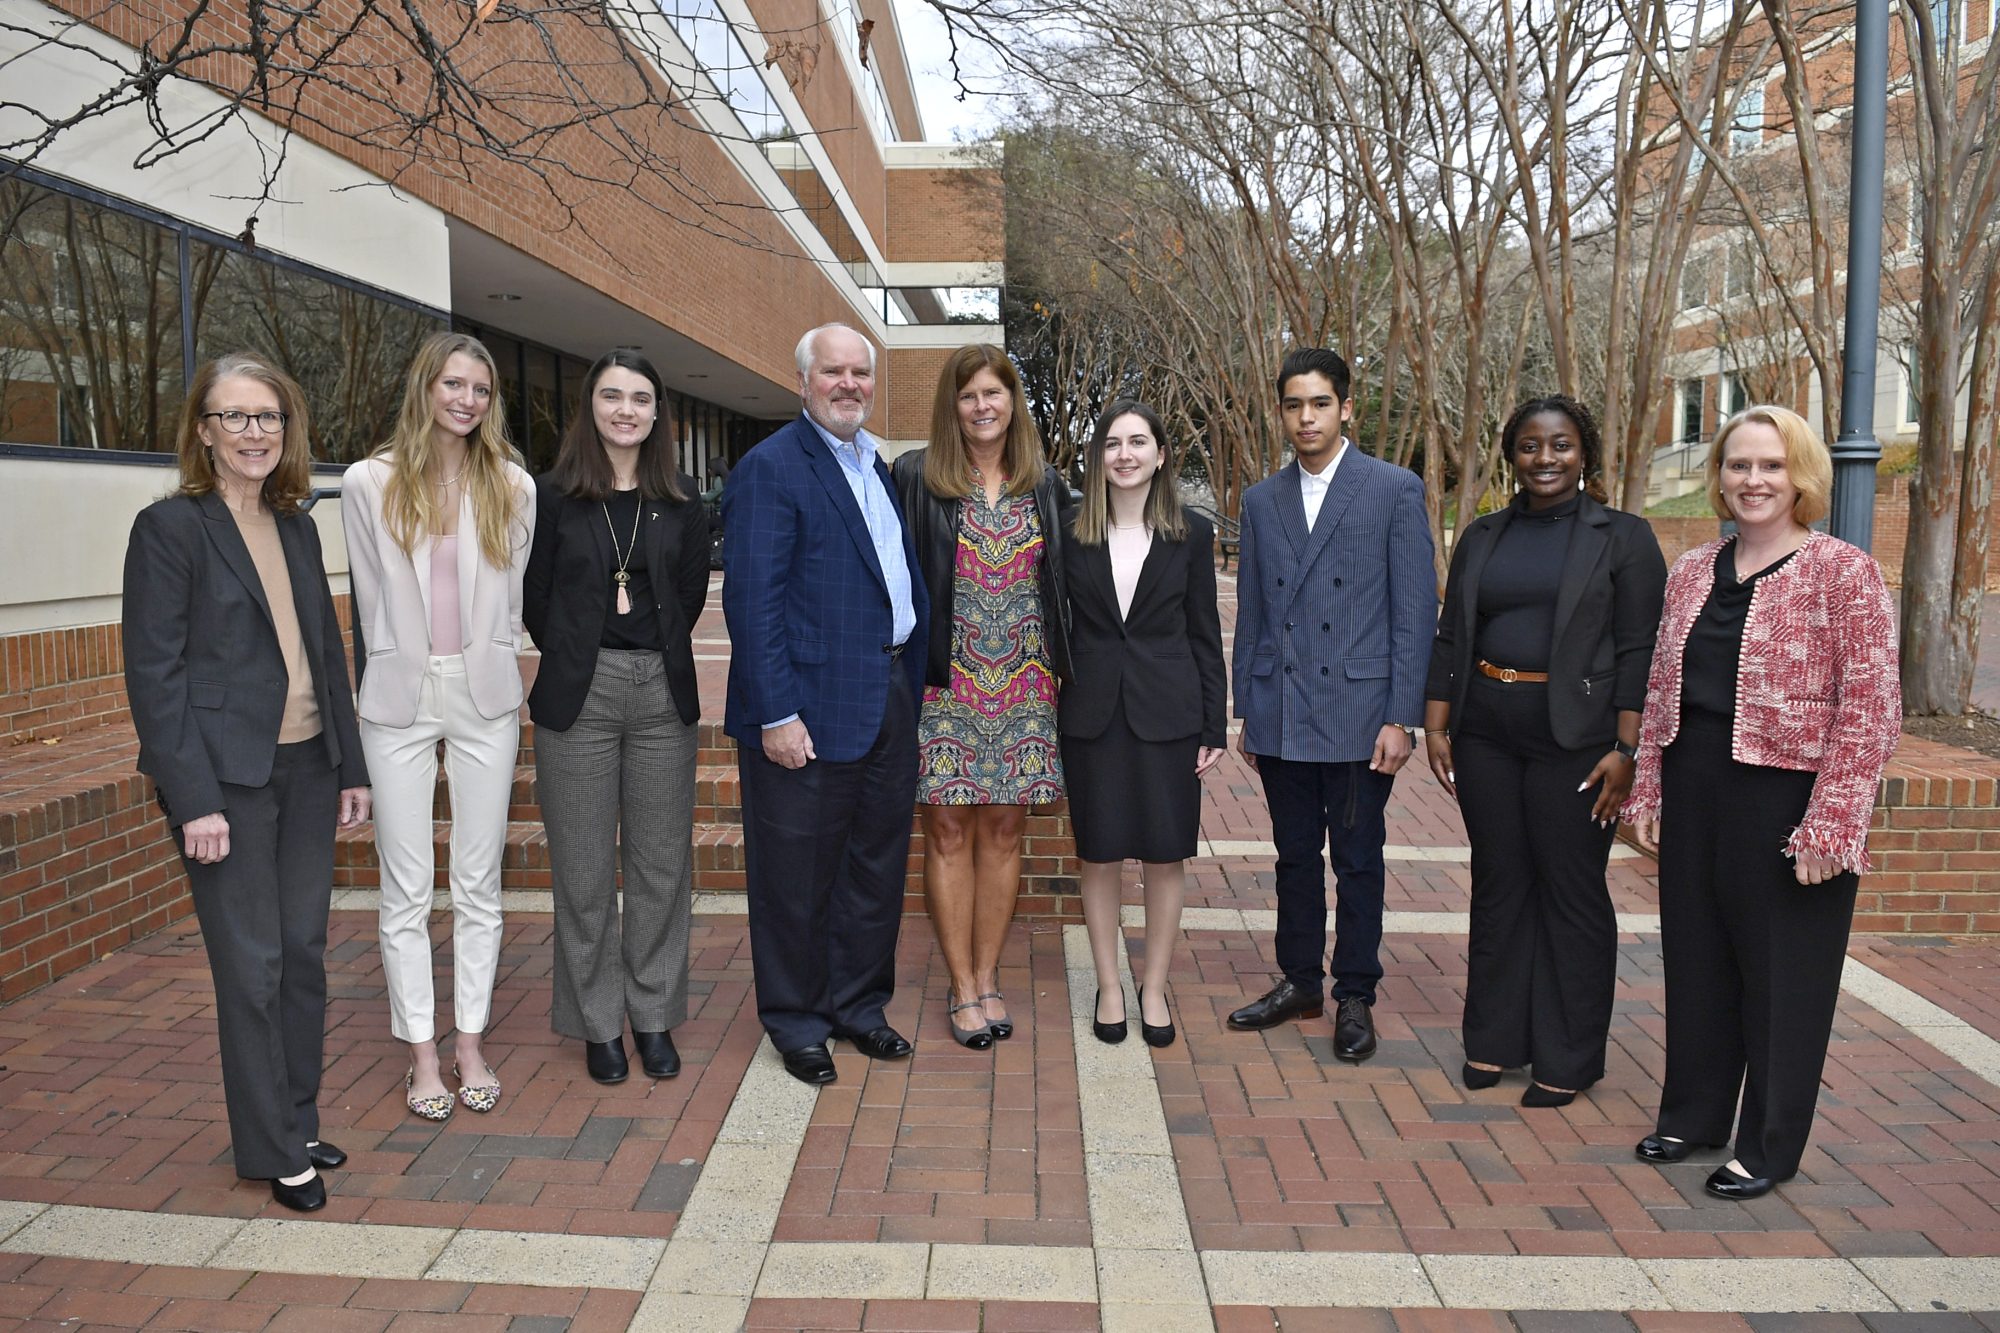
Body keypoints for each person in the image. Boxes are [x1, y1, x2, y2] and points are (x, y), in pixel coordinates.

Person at [1625, 405, 1899, 1200]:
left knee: (1783, 978)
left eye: (1771, 466)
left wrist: (1835, 822)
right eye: (1740, 465)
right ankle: (1695, 1113)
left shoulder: (1843, 571)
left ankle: (1769, 1144)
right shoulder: (1691, 570)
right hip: (1698, 782)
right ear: (1719, 475)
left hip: (1790, 796)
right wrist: (1650, 782)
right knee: (1699, 959)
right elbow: (1659, 684)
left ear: (1801, 475)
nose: (1754, 480)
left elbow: (1872, 704)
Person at [123, 353, 371, 1211]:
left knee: (303, 954)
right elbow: (154, 677)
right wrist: (192, 799)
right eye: (235, 417)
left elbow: (328, 654)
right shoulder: (170, 531)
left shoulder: (297, 525)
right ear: (203, 430)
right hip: (225, 783)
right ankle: (269, 1149)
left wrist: (350, 764)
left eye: (268, 416)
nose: (254, 433)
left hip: (307, 768)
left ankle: (295, 1120)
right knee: (252, 964)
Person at [1422, 396, 1667, 1106]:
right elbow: (1450, 634)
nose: (1545, 459)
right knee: (1500, 883)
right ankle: (1494, 1039)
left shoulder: (1622, 537)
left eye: (1560, 445)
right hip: (1486, 733)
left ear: (1583, 451)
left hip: (1579, 742)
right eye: (1530, 447)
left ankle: (1568, 1053)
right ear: (1512, 455)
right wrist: (1437, 724)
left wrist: (1627, 746)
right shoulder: (1485, 534)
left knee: (1569, 888)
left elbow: (1638, 649)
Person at [722, 323, 929, 1085]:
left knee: (874, 868)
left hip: (888, 697)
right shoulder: (772, 468)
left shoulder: (875, 466)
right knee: (795, 878)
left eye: (860, 373)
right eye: (833, 372)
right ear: (803, 380)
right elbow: (753, 602)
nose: (848, 384)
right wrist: (776, 713)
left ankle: (858, 1007)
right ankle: (798, 1019)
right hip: (803, 714)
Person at [343, 332, 534, 1121]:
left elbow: (514, 594)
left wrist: (500, 659)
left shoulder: (512, 485)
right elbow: (366, 593)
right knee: (407, 886)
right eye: (453, 384)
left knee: (480, 883)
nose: (466, 399)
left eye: (480, 389)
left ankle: (469, 1043)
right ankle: (421, 1053)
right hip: (398, 694)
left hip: (485, 692)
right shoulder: (368, 480)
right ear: (426, 387)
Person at [1227, 347, 1436, 1062]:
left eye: (1319, 402)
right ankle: (1298, 980)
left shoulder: (1393, 488)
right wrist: (1247, 708)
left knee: (1357, 859)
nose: (1306, 416)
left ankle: (1354, 994)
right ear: (1281, 410)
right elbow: (1253, 614)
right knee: (1292, 857)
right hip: (1284, 708)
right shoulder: (1262, 499)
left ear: (1346, 406)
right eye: (1294, 404)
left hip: (1358, 711)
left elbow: (1414, 610)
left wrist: (1400, 715)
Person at [523, 350, 710, 1085]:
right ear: (590, 407)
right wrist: (578, 654)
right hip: (579, 693)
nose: (626, 409)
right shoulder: (553, 495)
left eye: (640, 396)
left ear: (658, 412)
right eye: (611, 396)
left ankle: (653, 1014)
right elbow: (537, 598)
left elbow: (689, 596)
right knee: (584, 870)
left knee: (662, 864)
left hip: (663, 692)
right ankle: (599, 1023)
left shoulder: (684, 499)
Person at [891, 345, 1072, 1049]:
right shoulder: (916, 478)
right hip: (946, 684)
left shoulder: (1045, 486)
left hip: (1025, 687)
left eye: (994, 392)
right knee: (945, 830)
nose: (982, 406)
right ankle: (962, 985)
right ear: (952, 405)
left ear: (1013, 401)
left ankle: (989, 975)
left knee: (1003, 829)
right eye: (968, 396)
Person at [1060, 400, 1226, 1048]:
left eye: (1138, 441)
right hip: (1091, 713)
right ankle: (1108, 983)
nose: (1124, 453)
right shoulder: (1072, 528)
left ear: (1160, 454)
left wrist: (1215, 723)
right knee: (1098, 855)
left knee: (1164, 854)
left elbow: (1205, 634)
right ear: (1098, 456)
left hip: (1170, 712)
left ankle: (1152, 986)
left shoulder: (1192, 533)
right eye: (1112, 443)